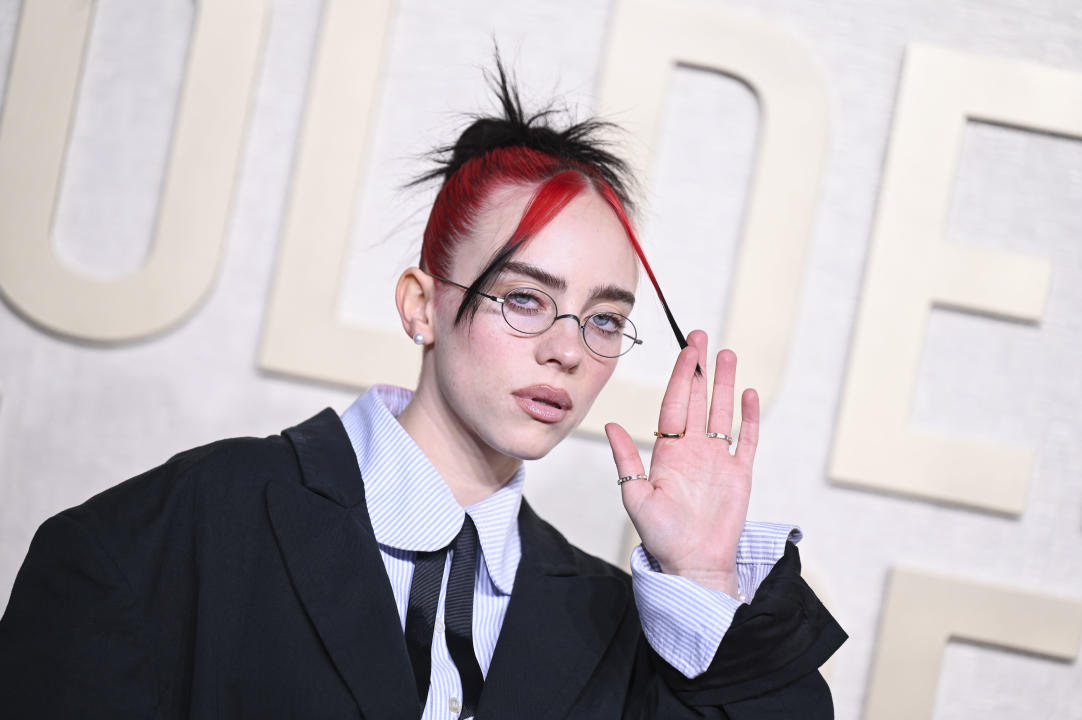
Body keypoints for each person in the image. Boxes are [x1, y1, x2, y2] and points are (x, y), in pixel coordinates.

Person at [0, 62, 845, 718]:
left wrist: (698, 568)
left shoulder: (611, 621)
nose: (566, 350)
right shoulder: (196, 524)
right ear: (421, 305)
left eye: (603, 319)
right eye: (525, 299)